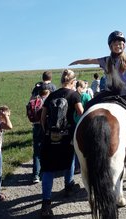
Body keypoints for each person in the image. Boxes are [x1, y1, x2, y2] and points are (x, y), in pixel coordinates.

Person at [39, 69, 83, 217]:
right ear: (73, 80)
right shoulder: (74, 95)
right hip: (66, 136)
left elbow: (43, 117)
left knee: (48, 169)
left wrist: (47, 132)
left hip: (50, 137)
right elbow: (81, 114)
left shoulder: (52, 94)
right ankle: (68, 186)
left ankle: (46, 203)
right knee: (69, 160)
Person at [30, 71, 57, 184]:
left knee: (37, 150)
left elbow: (30, 101)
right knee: (49, 147)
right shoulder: (53, 87)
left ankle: (36, 175)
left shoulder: (37, 86)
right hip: (48, 122)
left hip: (36, 123)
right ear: (50, 78)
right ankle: (47, 171)